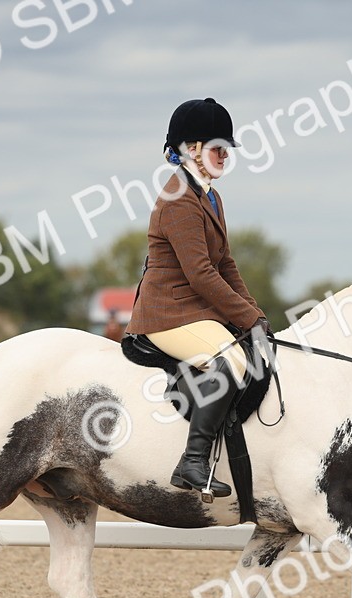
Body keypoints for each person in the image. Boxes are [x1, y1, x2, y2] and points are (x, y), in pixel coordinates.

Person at [124, 98, 269, 499]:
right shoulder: (178, 200)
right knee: (230, 359)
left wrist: (255, 314)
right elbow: (201, 274)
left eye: (226, 148)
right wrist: (246, 319)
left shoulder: (209, 196)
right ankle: (192, 461)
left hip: (193, 313)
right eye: (216, 147)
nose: (225, 155)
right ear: (191, 149)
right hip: (167, 315)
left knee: (254, 350)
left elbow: (226, 265)